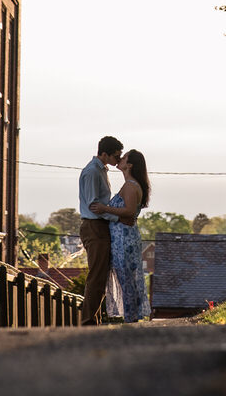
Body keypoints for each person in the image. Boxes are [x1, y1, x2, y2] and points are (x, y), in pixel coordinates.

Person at [89, 148, 151, 322]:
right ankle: (131, 317)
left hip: (125, 239)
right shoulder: (129, 184)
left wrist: (104, 208)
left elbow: (129, 211)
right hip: (122, 237)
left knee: (126, 280)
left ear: (129, 165)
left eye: (124, 158)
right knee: (126, 279)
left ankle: (131, 319)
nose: (120, 159)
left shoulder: (131, 186)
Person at [77, 135, 122, 325]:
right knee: (96, 275)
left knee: (100, 275)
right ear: (105, 154)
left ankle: (92, 319)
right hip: (94, 226)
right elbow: (94, 205)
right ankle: (87, 320)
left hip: (100, 226)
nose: (118, 161)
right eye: (116, 157)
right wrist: (118, 216)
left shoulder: (101, 170)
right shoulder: (92, 172)